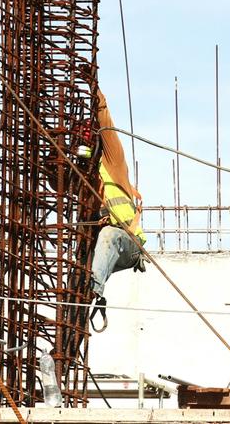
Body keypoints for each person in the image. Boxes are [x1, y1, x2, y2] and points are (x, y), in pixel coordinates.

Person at [89, 90, 146, 328]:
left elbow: (106, 127)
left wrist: (97, 96)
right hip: (104, 251)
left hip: (129, 244)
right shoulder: (84, 178)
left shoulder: (111, 164)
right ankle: (85, 291)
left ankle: (94, 287)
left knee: (109, 234)